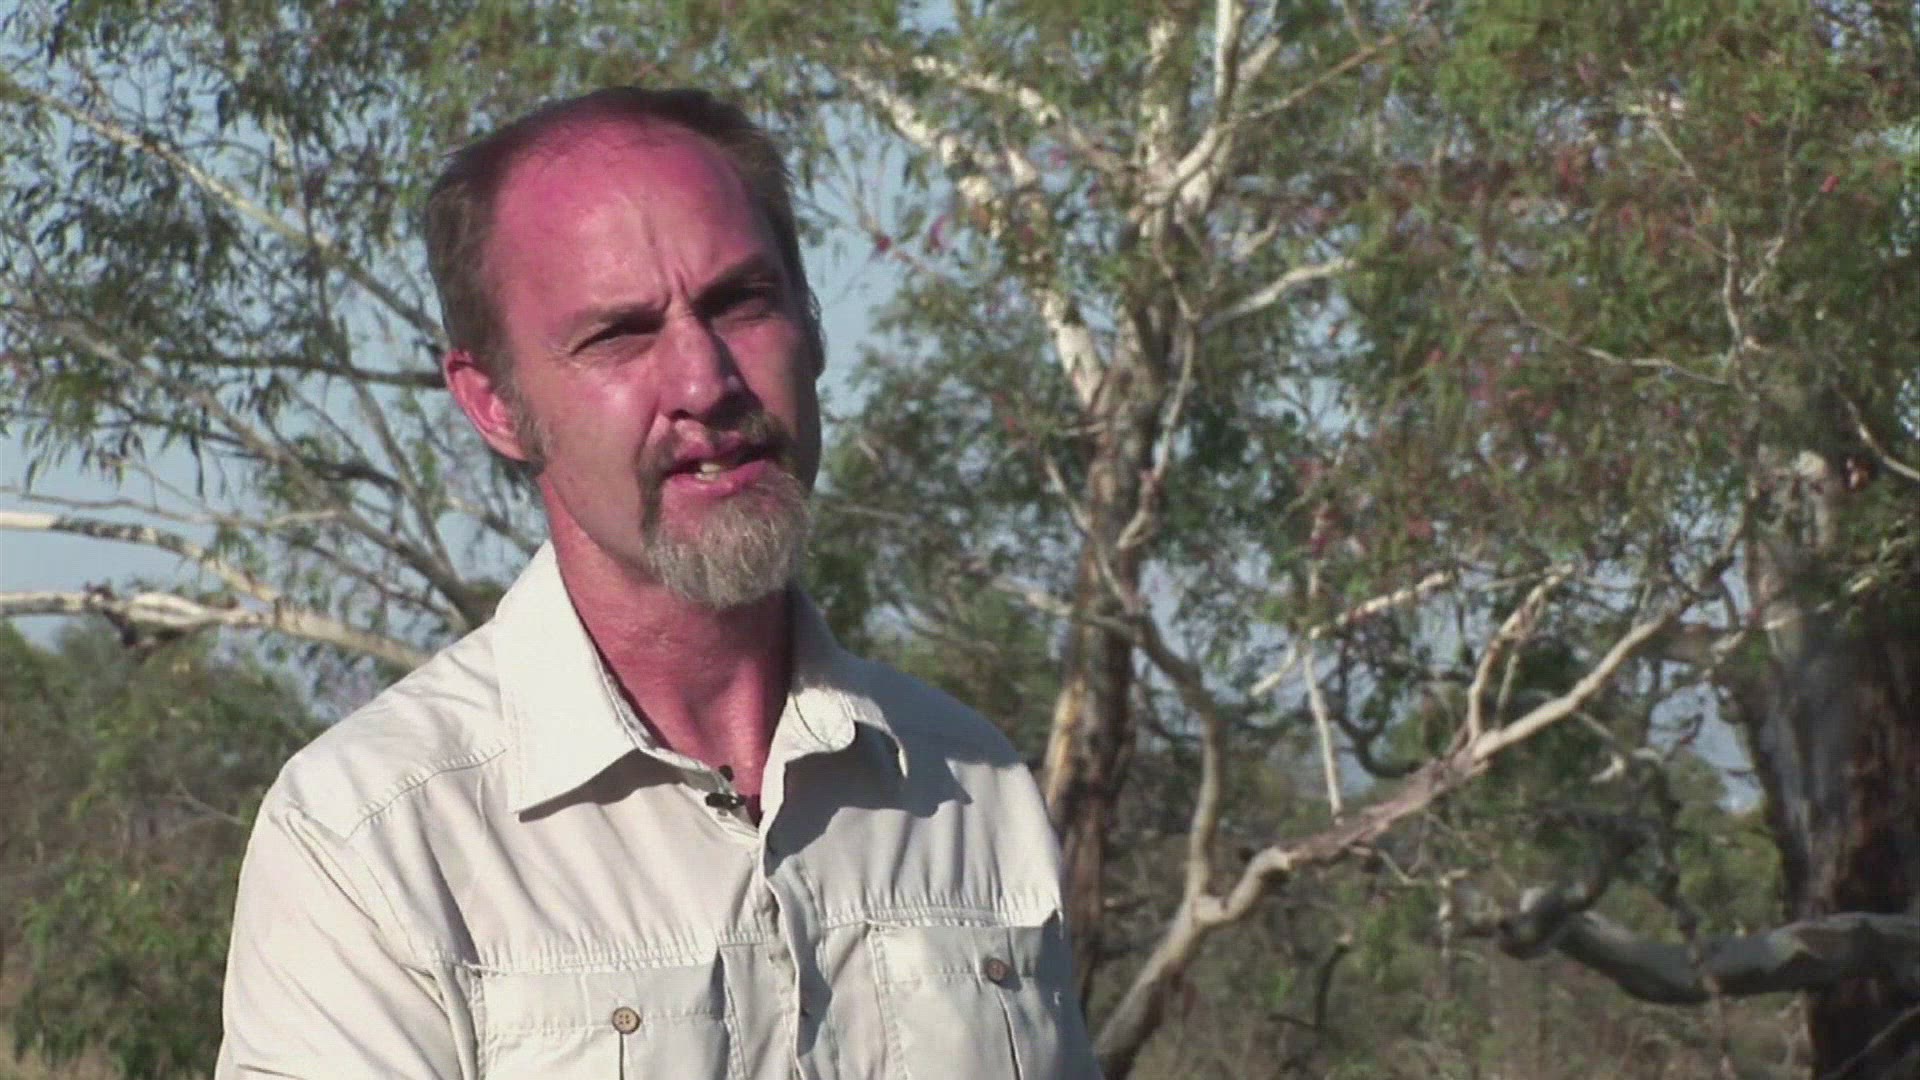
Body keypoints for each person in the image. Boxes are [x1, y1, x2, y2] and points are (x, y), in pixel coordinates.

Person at [214, 87, 1101, 1079]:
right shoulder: (376, 840)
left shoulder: (972, 789)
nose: (704, 382)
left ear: (811, 327)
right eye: (620, 334)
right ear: (494, 403)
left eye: (741, 302)